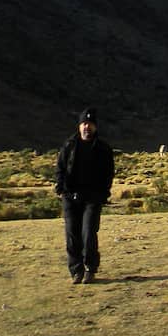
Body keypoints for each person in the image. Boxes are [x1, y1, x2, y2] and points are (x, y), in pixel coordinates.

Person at [55, 107, 114, 284]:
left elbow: (108, 173)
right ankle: (76, 271)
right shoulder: (69, 145)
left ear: (95, 127)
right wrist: (60, 186)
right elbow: (60, 168)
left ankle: (90, 268)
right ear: (79, 126)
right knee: (72, 234)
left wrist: (104, 192)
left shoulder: (103, 149)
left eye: (90, 124)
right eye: (84, 123)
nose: (87, 127)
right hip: (70, 196)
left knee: (88, 232)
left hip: (93, 197)